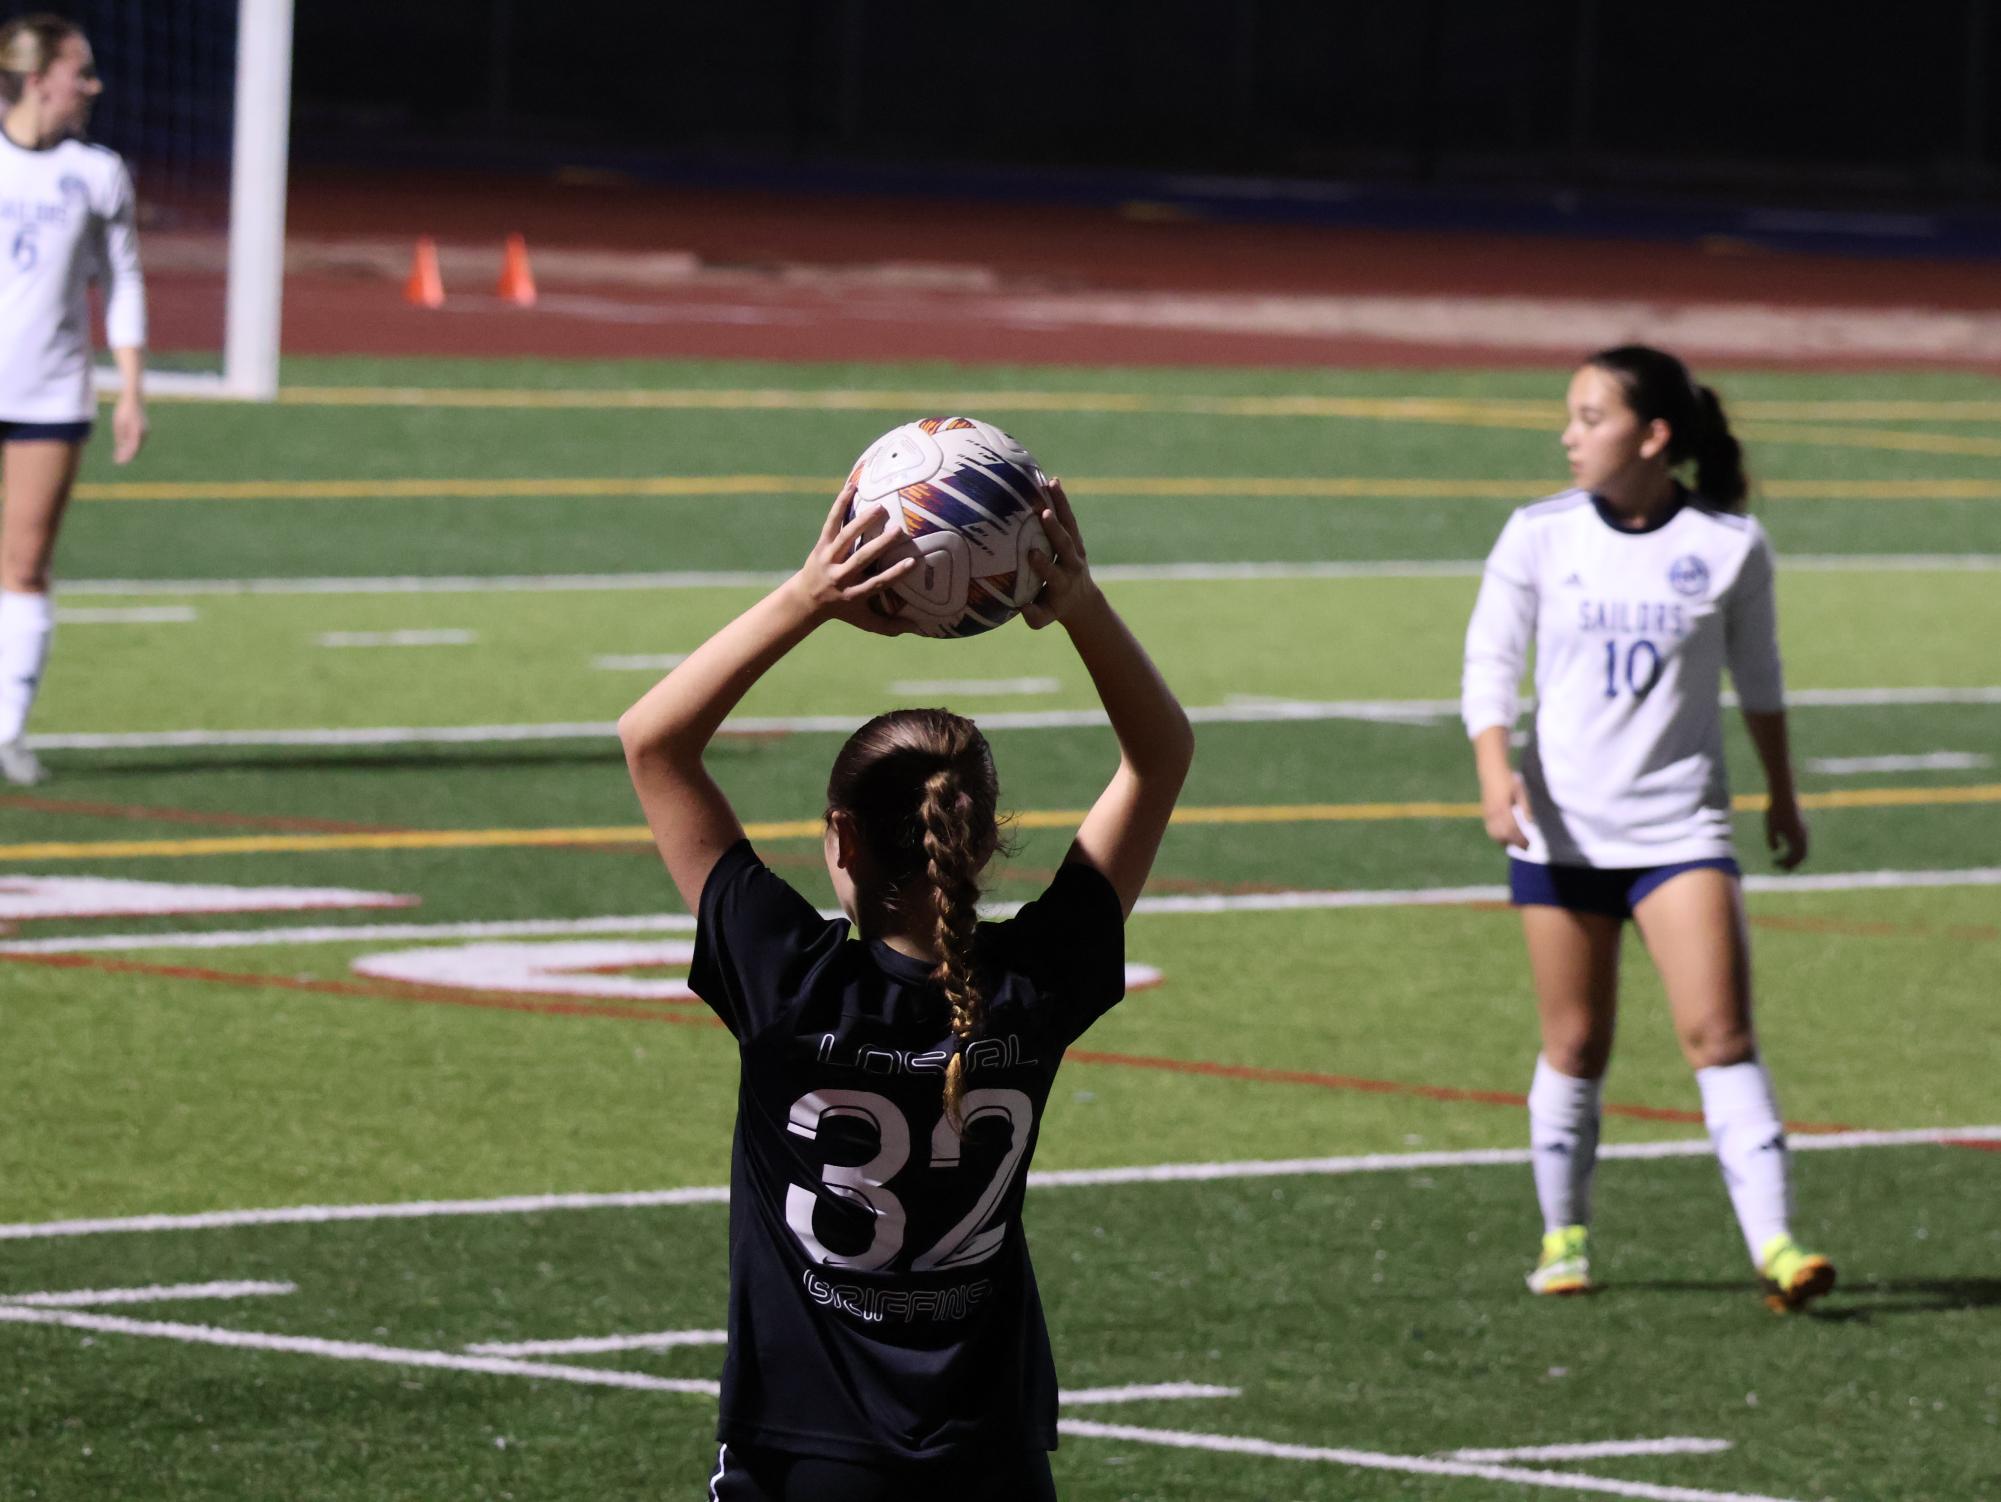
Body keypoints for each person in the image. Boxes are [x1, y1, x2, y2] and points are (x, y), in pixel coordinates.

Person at [619, 475, 1192, 1500]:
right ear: (981, 840)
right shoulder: (1033, 982)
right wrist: (1079, 604)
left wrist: (809, 595)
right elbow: (1161, 755)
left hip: (807, 1448)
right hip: (989, 1453)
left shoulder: (785, 977)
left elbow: (652, 740)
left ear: (840, 837)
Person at [1460, 344, 1835, 1314]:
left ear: (1653, 435)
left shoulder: (1728, 545)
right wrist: (1496, 775)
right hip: (1563, 834)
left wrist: (1783, 793)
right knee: (1576, 1044)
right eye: (1571, 415)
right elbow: (1489, 668)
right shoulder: (1538, 534)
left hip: (1679, 831)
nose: (1569, 434)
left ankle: (1778, 1244)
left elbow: (1761, 681)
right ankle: (1564, 1234)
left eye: (1591, 417)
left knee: (1721, 1033)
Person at [0, 13, 147, 785]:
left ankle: (7, 729)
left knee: (23, 565)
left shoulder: (98, 172)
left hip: (51, 393)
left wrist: (131, 387)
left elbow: (121, 280)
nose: (92, 86)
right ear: (37, 78)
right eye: (80, 72)